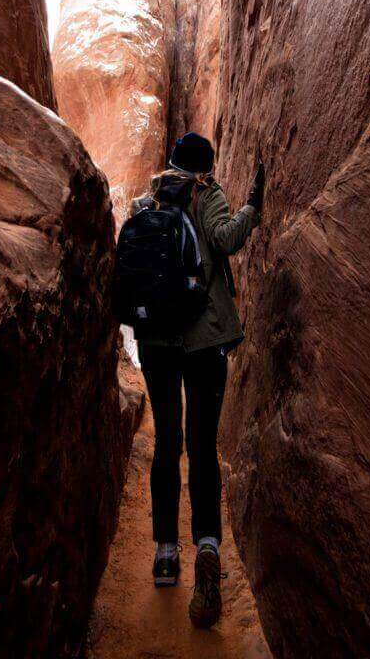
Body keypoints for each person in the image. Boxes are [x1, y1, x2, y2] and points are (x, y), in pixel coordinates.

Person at [129, 131, 264, 629]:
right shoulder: (207, 195)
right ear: (205, 167)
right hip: (205, 342)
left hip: (157, 343)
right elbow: (228, 239)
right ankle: (207, 546)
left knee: (168, 441)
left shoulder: (146, 202)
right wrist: (252, 207)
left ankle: (166, 552)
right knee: (203, 446)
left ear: (170, 163)